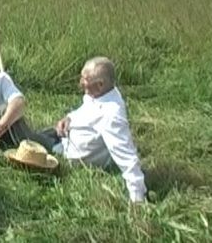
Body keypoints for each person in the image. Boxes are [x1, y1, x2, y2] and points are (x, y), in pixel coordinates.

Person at [41, 57, 147, 203]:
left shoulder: (111, 115)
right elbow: (85, 109)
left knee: (22, 136)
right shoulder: (99, 94)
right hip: (64, 136)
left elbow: (126, 156)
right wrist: (69, 118)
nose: (80, 83)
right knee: (32, 134)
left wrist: (137, 197)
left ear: (100, 84)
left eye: (85, 80)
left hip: (67, 152)